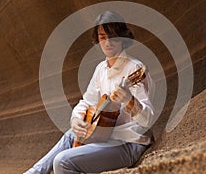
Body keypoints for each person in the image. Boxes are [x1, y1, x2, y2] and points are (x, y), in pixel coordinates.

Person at [24, 11, 155, 174]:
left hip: (129, 142)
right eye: (102, 37)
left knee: (62, 161)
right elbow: (86, 102)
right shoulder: (101, 69)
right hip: (106, 136)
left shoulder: (134, 69)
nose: (107, 43)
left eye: (113, 37)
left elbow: (147, 120)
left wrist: (129, 100)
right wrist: (76, 119)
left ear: (123, 38)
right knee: (71, 134)